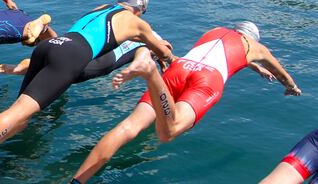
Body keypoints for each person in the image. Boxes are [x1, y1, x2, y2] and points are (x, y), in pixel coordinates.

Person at [0, 0, 175, 183]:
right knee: (19, 113)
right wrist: (167, 55)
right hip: (71, 55)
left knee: (19, 120)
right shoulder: (137, 23)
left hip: (51, 46)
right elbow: (163, 51)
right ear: (141, 7)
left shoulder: (102, 8)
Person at [72, 21, 301, 184]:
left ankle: (77, 180)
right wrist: (292, 87)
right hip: (207, 80)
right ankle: (151, 73)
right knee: (168, 132)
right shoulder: (257, 48)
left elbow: (223, 51)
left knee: (129, 126)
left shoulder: (215, 31)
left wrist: (255, 67)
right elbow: (282, 74)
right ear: (253, 38)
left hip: (179, 68)